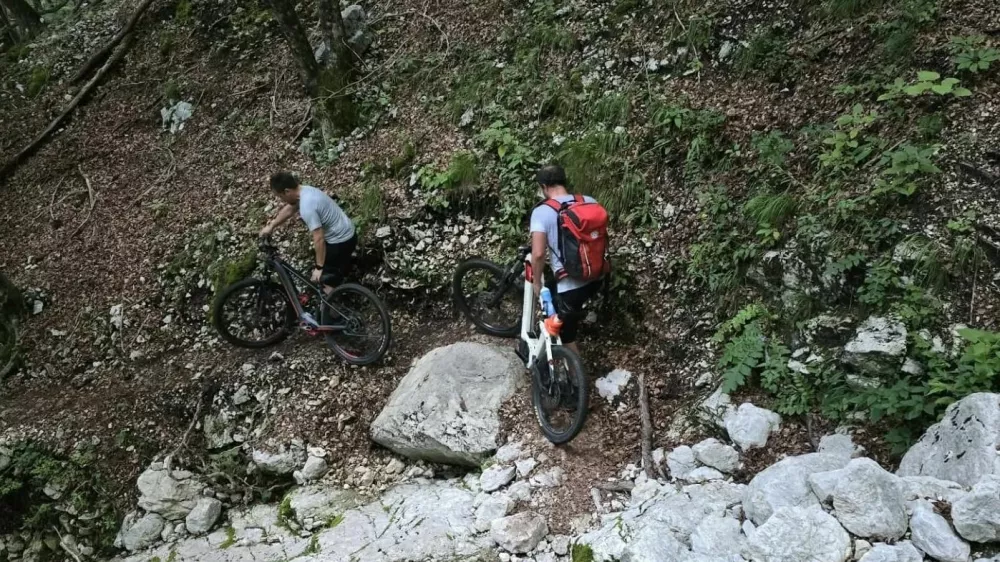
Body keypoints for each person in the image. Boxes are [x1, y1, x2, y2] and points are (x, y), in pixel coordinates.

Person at [529, 164, 604, 355]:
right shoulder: (588, 201)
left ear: (544, 187)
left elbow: (538, 254)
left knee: (565, 335)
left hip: (570, 286)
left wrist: (536, 283)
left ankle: (576, 379)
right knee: (561, 300)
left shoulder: (542, 212)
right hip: (597, 277)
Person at [260, 172, 356, 321]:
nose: (281, 200)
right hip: (346, 232)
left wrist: (319, 268)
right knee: (326, 275)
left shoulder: (307, 205)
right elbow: (290, 208)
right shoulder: (305, 191)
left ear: (287, 191)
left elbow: (318, 238)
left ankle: (338, 319)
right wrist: (272, 225)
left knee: (322, 280)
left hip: (340, 242)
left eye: (280, 196)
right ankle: (334, 304)